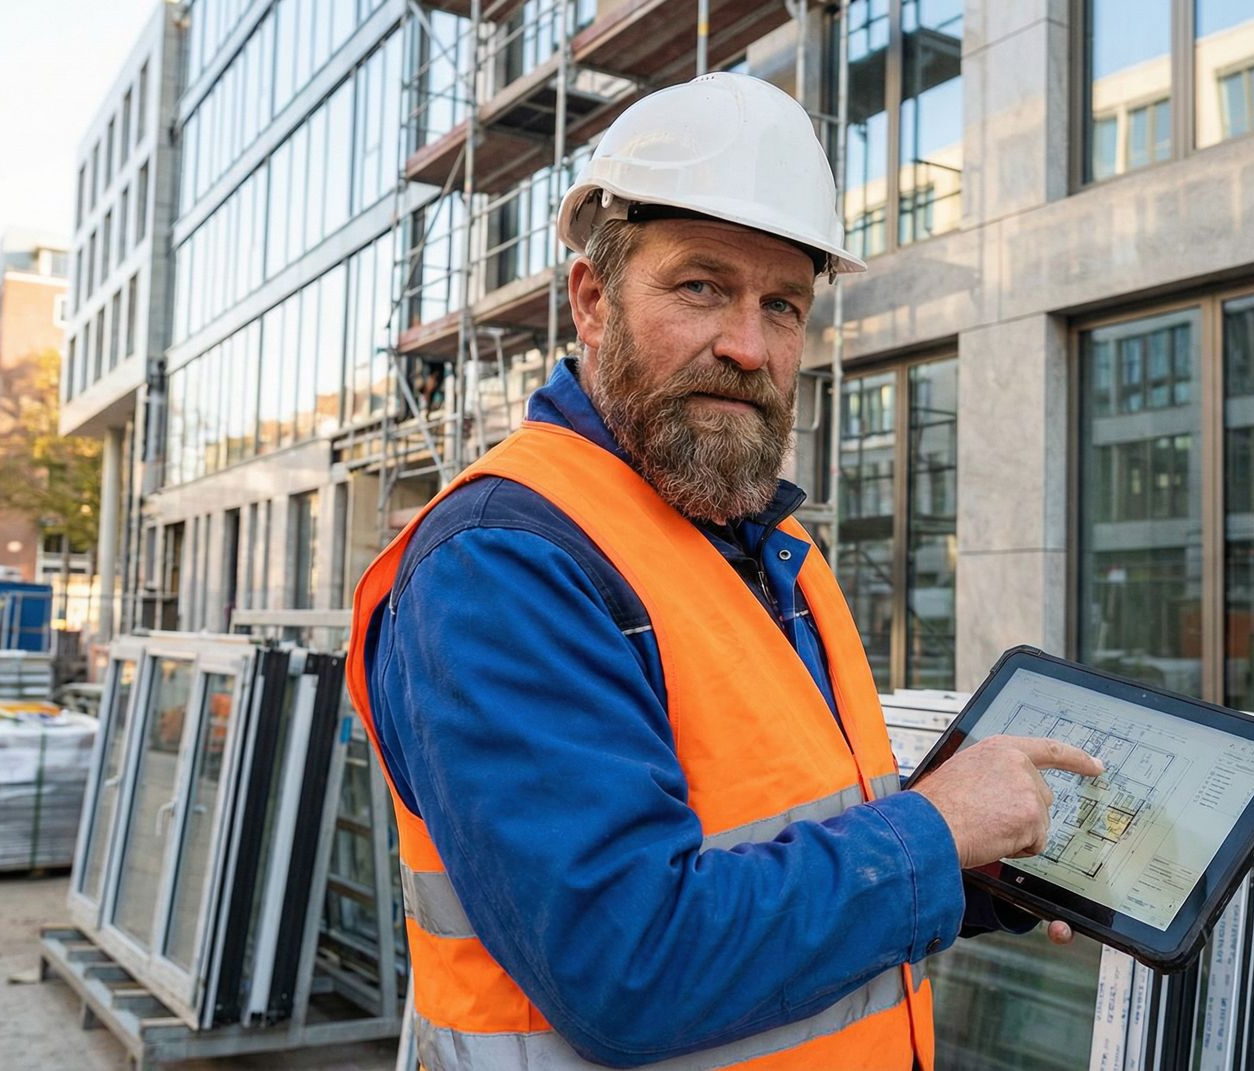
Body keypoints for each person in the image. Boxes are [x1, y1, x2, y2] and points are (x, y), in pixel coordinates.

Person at [346, 72, 1101, 1071]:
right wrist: (933, 830)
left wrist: (968, 867)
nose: (749, 346)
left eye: (783, 305)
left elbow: (779, 864)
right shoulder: (507, 560)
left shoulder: (768, 552)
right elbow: (631, 962)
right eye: (701, 285)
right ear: (592, 302)